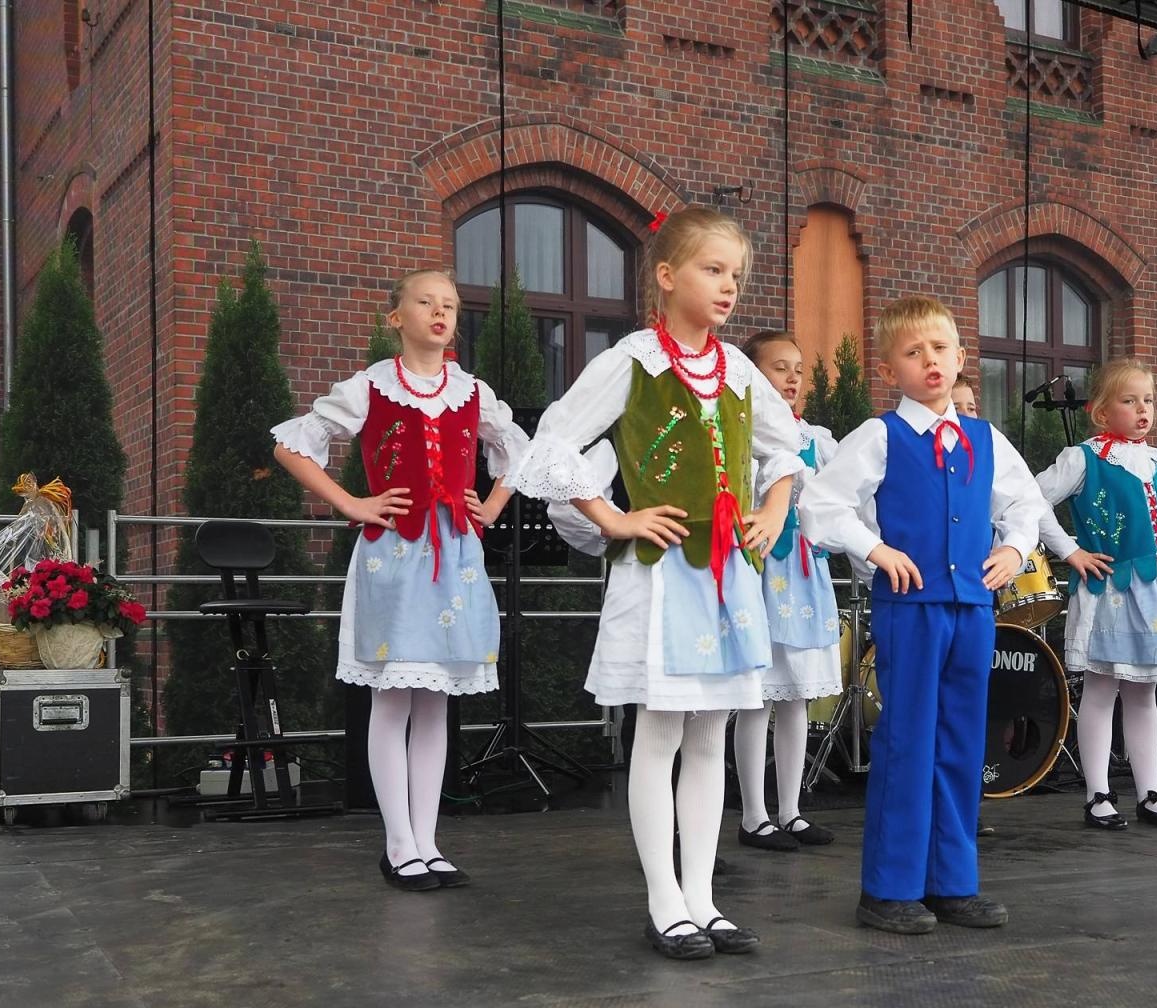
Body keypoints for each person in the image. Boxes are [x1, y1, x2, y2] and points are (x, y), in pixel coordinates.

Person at [506, 207, 806, 960]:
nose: (728, 286)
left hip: (726, 576)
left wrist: (772, 508)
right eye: (712, 270)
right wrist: (612, 517)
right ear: (667, 276)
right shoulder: (633, 362)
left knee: (710, 735)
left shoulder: (738, 370)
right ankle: (663, 898)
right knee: (662, 732)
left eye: (736, 274)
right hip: (664, 574)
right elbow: (550, 446)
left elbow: (788, 451)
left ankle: (704, 897)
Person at [271, 269, 529, 889]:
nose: (441, 313)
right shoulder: (370, 387)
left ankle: (428, 840)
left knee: (435, 700)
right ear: (397, 317)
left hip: (457, 556)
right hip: (394, 554)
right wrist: (354, 504)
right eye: (426, 302)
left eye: (450, 305)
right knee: (391, 698)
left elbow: (521, 450)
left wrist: (491, 508)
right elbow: (292, 444)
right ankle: (398, 842)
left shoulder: (471, 391)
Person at [799, 297, 1047, 935]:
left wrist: (1015, 549)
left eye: (939, 349)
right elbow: (820, 505)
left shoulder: (985, 438)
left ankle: (952, 882)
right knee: (907, 740)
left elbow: (1027, 502)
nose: (929, 361)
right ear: (890, 368)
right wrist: (874, 549)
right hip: (910, 610)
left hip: (973, 611)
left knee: (964, 743)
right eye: (914, 352)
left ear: (962, 359)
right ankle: (888, 888)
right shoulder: (882, 435)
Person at [1035, 358, 1157, 830]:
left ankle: (1149, 792)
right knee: (1102, 690)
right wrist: (1069, 550)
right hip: (1110, 590)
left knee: (1144, 694)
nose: (1143, 409)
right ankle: (1098, 793)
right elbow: (1031, 497)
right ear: (1102, 413)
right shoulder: (1084, 458)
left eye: (1148, 400)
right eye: (1129, 401)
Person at [731, 330, 843, 851]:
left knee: (795, 696)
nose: (794, 378)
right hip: (758, 572)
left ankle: (792, 810)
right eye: (780, 368)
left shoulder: (819, 440)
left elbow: (841, 504)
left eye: (798, 368)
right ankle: (754, 815)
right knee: (756, 698)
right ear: (754, 375)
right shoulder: (742, 436)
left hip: (803, 573)